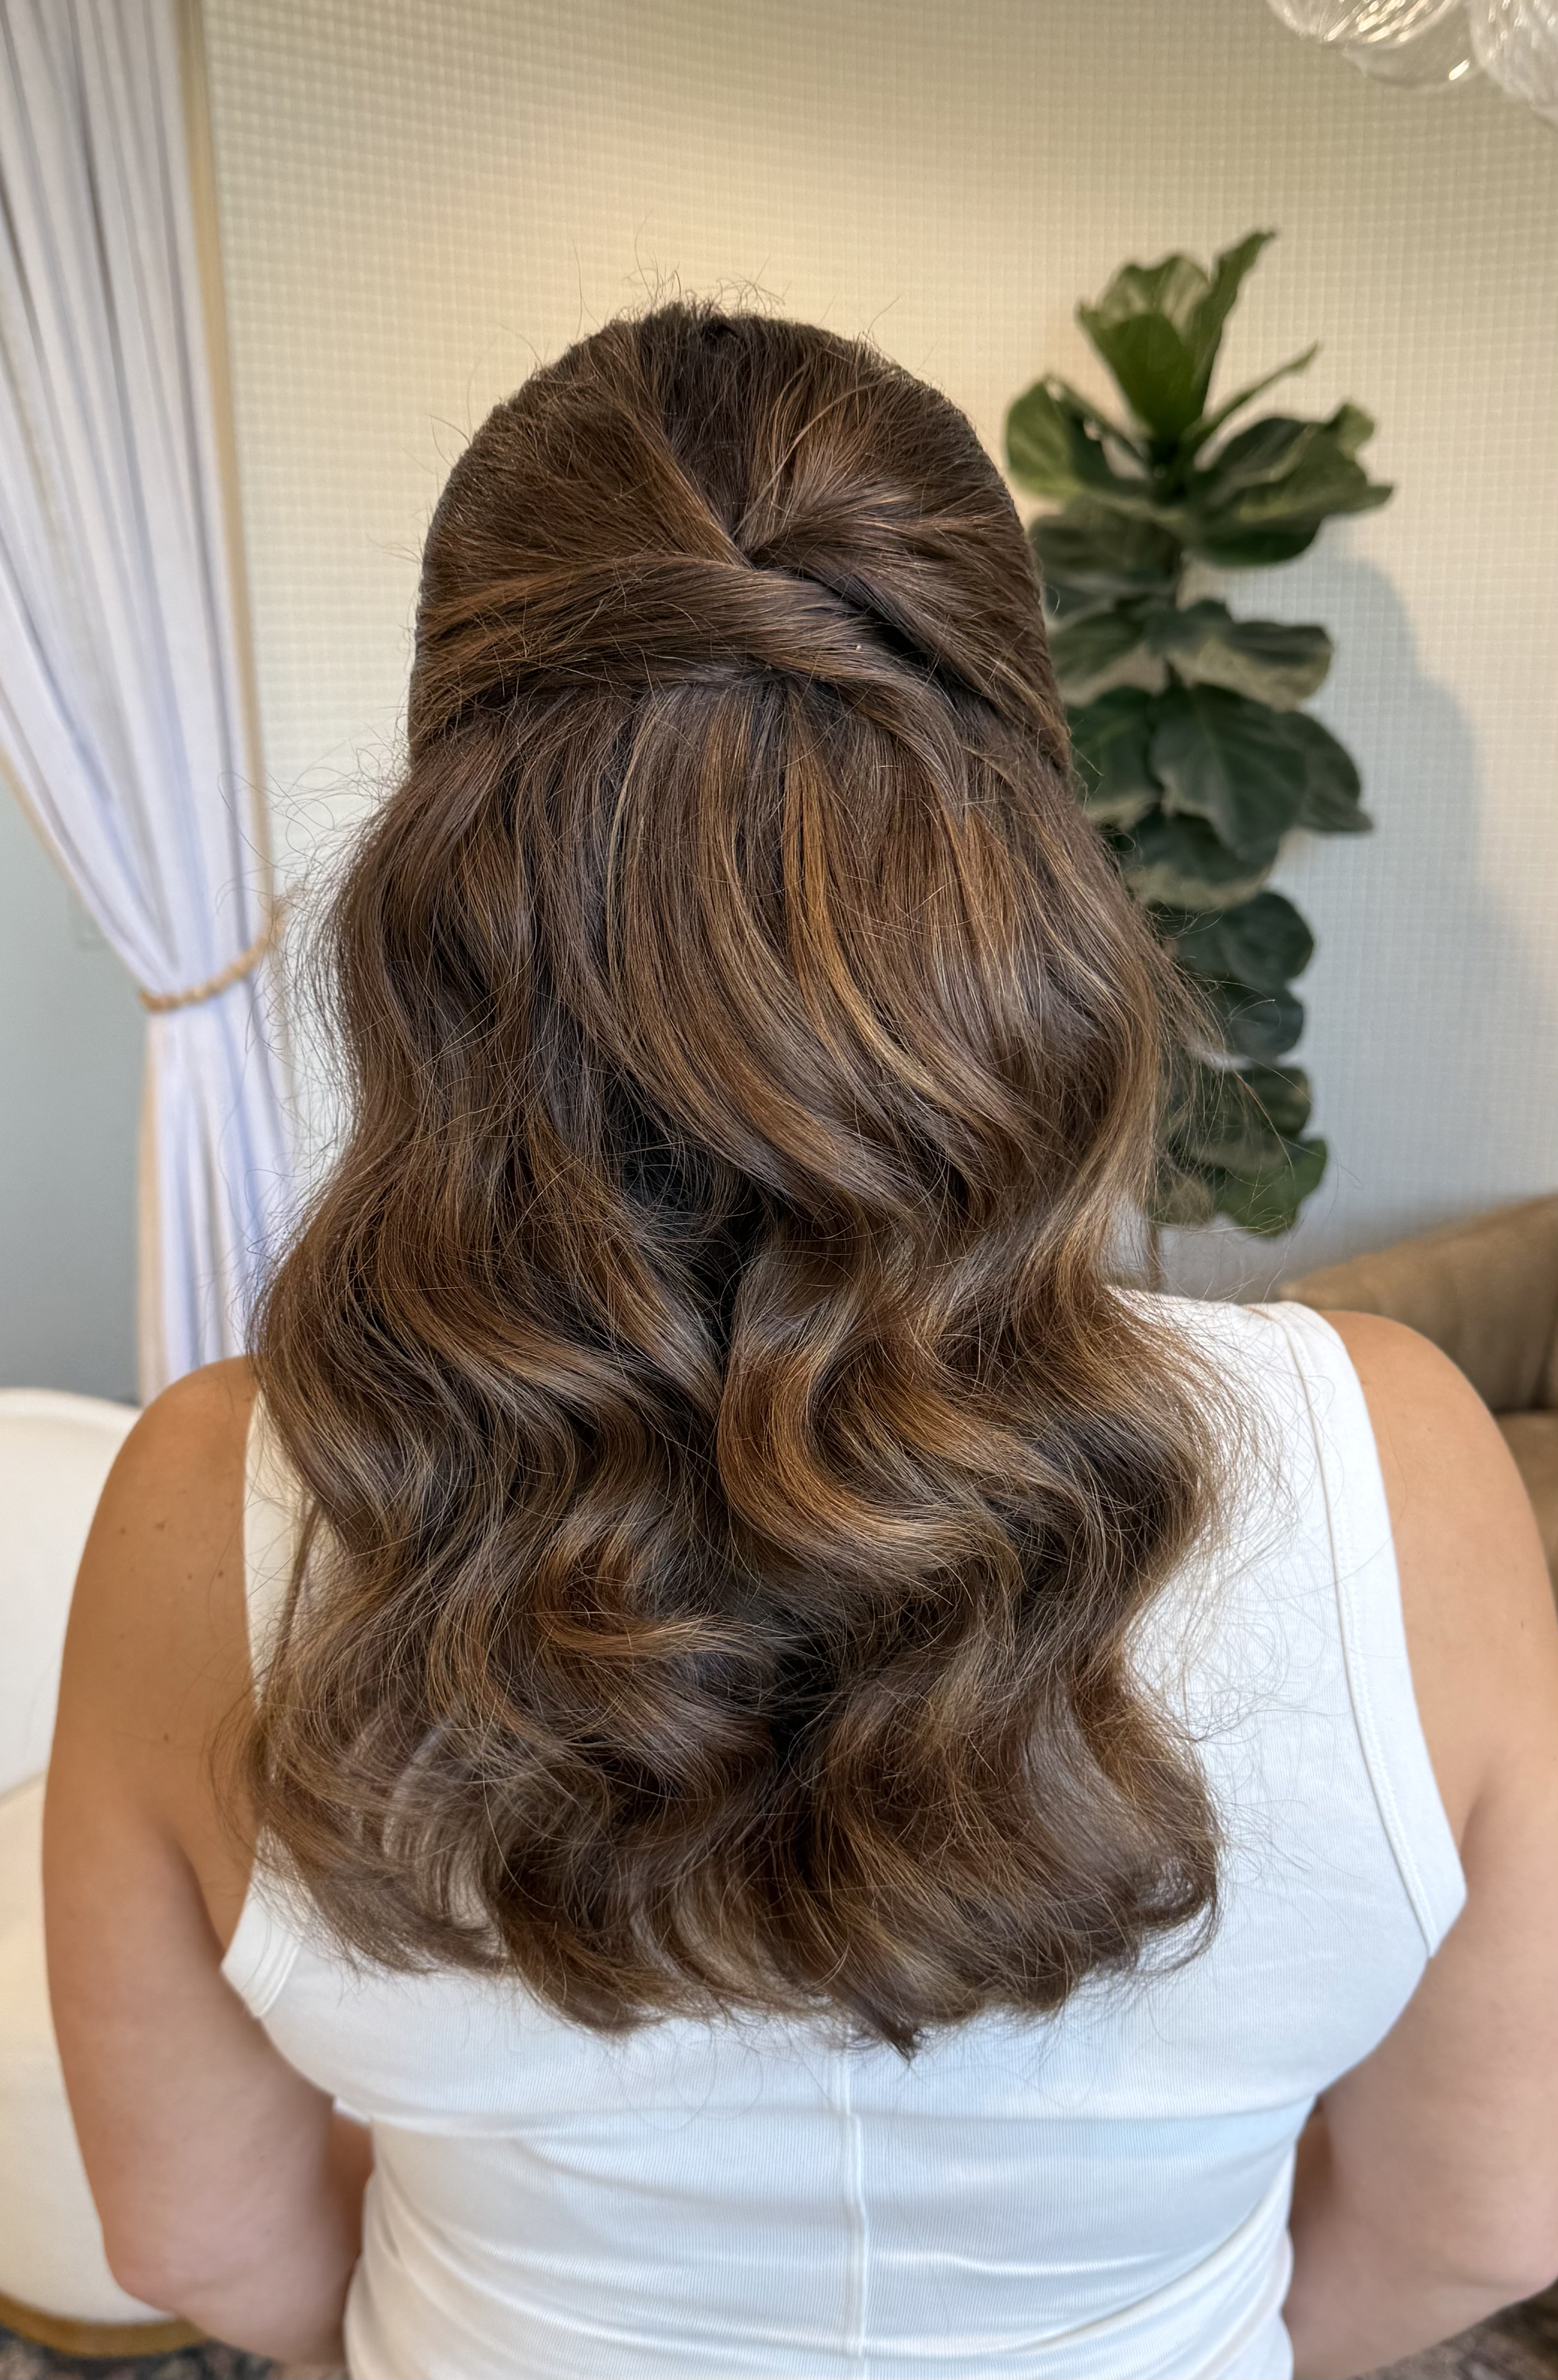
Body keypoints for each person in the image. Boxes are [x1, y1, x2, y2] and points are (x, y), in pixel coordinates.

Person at [44, 305, 1558, 2380]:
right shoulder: (1398, 1460)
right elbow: (1484, 2207)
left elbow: (197, 2239)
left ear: (451, 846)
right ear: (1014, 826)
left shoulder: (207, 1502)